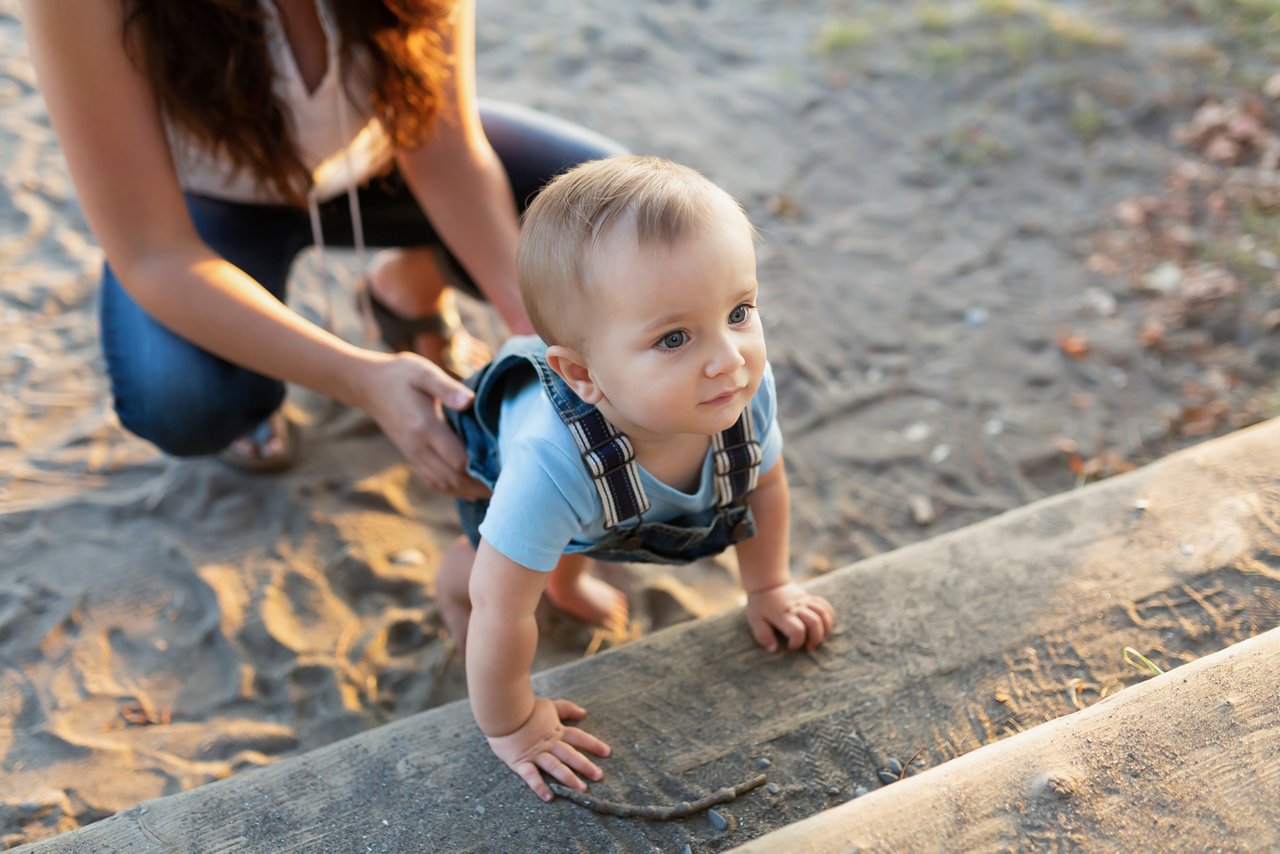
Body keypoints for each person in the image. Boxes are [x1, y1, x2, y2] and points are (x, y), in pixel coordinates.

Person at [20, 0, 624, 492]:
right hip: (204, 202)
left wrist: (536, 329)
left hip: (378, 156)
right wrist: (362, 380)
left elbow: (442, 147)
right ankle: (253, 396)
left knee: (613, 214)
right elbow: (153, 253)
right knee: (184, 399)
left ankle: (407, 289)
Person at [438, 155, 837, 801]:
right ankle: (456, 597)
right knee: (496, 578)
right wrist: (513, 725)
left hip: (599, 505)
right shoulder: (546, 467)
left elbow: (764, 484)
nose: (728, 358)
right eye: (676, 338)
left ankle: (568, 577)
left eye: (739, 311)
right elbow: (502, 608)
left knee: (577, 535)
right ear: (581, 374)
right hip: (525, 471)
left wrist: (768, 586)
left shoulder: (742, 390)